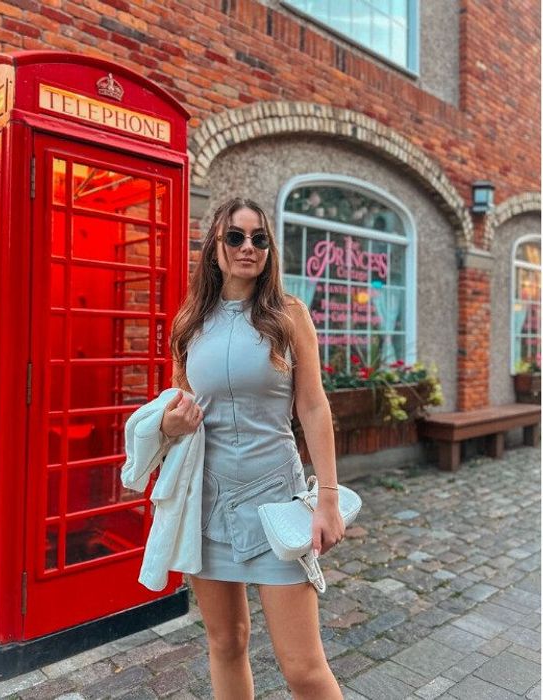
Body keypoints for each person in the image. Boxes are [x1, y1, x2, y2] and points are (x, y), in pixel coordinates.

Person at [161, 197, 346, 699]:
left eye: (259, 238)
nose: (249, 248)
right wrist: (173, 422)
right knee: (225, 643)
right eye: (236, 237)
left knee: (303, 668)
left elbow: (313, 408)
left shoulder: (288, 315)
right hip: (207, 504)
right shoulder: (189, 324)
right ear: (214, 247)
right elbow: (180, 407)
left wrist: (326, 498)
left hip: (275, 504)